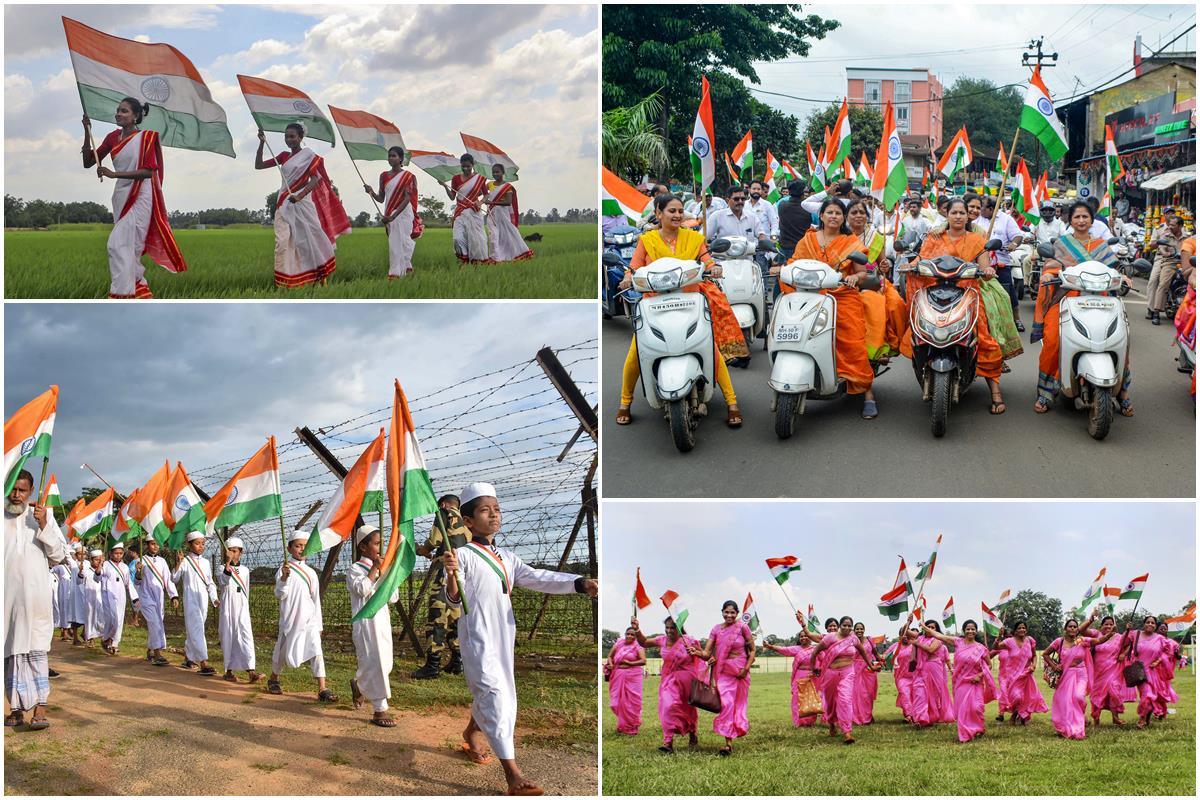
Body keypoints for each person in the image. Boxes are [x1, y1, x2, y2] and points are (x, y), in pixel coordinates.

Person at [443, 482, 597, 795]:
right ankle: (513, 775)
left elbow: (539, 577)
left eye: (496, 509)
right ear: (469, 521)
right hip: (478, 636)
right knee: (496, 695)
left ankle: (472, 733)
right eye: (485, 510)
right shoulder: (461, 555)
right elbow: (454, 600)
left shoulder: (508, 558)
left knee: (495, 691)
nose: (493, 515)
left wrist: (578, 583)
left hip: (504, 634)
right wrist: (450, 574)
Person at [614, 193, 746, 428]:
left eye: (679, 211)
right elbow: (633, 267)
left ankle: (732, 403)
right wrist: (626, 278)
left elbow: (707, 260)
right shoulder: (647, 240)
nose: (676, 215)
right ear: (658, 213)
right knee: (636, 351)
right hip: (655, 304)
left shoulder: (694, 238)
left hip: (689, 301)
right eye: (671, 211)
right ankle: (625, 402)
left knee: (710, 348)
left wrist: (714, 268)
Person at [1032, 200, 1133, 415]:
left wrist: (1123, 276)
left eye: (1085, 217)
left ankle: (1123, 391)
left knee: (1120, 338)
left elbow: (1113, 269)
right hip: (1066, 297)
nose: (1080, 220)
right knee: (1052, 339)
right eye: (1076, 217)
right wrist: (1049, 276)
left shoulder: (1101, 246)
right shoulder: (1061, 244)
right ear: (1070, 219)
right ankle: (1046, 390)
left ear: (1092, 219)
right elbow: (1051, 268)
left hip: (1100, 298)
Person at [80, 99, 187, 298]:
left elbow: (147, 172)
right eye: (118, 111)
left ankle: (122, 294)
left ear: (136, 116)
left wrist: (114, 174)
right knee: (128, 248)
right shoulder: (112, 137)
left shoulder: (145, 138)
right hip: (121, 196)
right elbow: (88, 162)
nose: (118, 114)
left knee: (117, 244)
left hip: (141, 195)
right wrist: (87, 131)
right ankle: (140, 292)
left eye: (124, 111)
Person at [911, 197, 1008, 414]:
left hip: (968, 292)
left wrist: (988, 270)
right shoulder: (934, 237)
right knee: (917, 324)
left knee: (983, 337)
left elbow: (984, 266)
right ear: (947, 214)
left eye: (961, 213)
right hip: (936, 290)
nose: (957, 216)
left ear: (968, 216)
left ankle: (995, 392)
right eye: (953, 212)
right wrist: (910, 266)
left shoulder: (976, 240)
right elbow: (920, 259)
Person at [784, 198, 878, 418]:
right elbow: (794, 263)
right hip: (808, 295)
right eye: (830, 212)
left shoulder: (851, 242)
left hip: (840, 295)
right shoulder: (807, 240)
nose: (834, 216)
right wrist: (783, 268)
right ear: (822, 216)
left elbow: (862, 272)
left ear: (843, 218)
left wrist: (855, 277)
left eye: (838, 213)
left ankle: (867, 393)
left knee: (853, 338)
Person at [4, 470, 68, 730]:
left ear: (31, 491)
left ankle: (40, 710)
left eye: (22, 490)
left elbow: (60, 554)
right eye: (13, 489)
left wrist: (43, 525)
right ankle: (16, 710)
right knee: (11, 654)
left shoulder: (43, 516)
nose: (17, 495)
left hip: (37, 599)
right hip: (7, 601)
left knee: (37, 652)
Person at [256, 123, 351, 288]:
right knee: (282, 242)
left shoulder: (309, 156)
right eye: (286, 136)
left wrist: (299, 196)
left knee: (310, 241)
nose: (289, 139)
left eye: (292, 136)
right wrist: (262, 142)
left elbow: (315, 179)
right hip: (284, 204)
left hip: (303, 204)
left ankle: (320, 277)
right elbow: (259, 165)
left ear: (300, 138)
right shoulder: (284, 156)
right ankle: (284, 282)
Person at [268, 532, 336, 702]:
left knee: (316, 651)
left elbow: (315, 600)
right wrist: (284, 578)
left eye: (305, 546)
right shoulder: (284, 570)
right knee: (283, 651)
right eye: (298, 546)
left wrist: (318, 624)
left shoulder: (311, 573)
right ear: (289, 548)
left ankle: (322, 688)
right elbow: (280, 594)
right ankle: (273, 678)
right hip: (290, 620)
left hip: (309, 620)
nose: (302, 549)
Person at [413, 494, 469, 679]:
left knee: (437, 616)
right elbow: (449, 545)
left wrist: (423, 549)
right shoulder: (467, 521)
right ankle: (457, 662)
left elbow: (435, 540)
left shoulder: (445, 512)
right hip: (462, 575)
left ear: (443, 504)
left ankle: (432, 666)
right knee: (455, 617)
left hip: (445, 574)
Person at [689, 600, 755, 755]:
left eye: (732, 612)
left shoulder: (743, 628)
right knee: (727, 704)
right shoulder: (716, 630)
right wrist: (696, 652)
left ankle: (732, 735)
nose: (729, 615)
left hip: (740, 673)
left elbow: (752, 650)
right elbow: (706, 654)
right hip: (724, 672)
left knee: (737, 705)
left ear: (737, 613)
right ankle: (728, 743)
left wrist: (746, 669)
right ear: (722, 612)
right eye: (726, 612)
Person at [347, 525, 397, 726]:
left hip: (382, 620)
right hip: (366, 623)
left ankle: (359, 685)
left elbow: (393, 597)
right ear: (363, 547)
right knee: (373, 661)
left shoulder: (384, 568)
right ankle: (380, 710)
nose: (380, 547)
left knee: (385, 662)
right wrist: (375, 569)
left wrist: (386, 574)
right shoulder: (355, 569)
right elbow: (361, 589)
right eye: (376, 543)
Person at [846, 199, 906, 364]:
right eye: (854, 212)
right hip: (845, 282)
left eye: (862, 213)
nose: (859, 216)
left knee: (896, 304)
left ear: (867, 216)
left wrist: (884, 267)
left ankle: (886, 346)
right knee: (873, 303)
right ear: (847, 216)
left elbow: (882, 265)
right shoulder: (841, 236)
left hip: (873, 282)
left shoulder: (875, 237)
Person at [629, 614, 701, 752]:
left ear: (679, 628)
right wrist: (637, 629)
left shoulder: (689, 640)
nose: (669, 631)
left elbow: (704, 654)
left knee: (688, 709)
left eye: (672, 628)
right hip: (669, 680)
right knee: (667, 706)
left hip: (687, 680)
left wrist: (694, 651)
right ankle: (668, 741)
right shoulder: (662, 640)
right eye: (666, 628)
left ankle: (693, 733)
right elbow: (643, 642)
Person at [808, 614, 879, 744]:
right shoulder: (830, 637)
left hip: (848, 672)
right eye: (844, 625)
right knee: (830, 702)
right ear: (840, 626)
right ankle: (831, 723)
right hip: (830, 673)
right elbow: (814, 653)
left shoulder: (853, 639)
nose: (847, 628)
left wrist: (872, 667)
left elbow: (863, 652)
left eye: (849, 626)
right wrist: (813, 669)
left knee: (845, 700)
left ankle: (847, 732)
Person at [1043, 614, 1117, 739]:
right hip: (1066, 675)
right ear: (1065, 629)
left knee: (1078, 697)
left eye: (1075, 627)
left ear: (1077, 629)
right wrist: (1054, 666)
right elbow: (1045, 654)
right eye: (1070, 626)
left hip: (1081, 674)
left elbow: (1098, 641)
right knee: (1063, 701)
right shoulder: (1059, 642)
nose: (1072, 629)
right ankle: (1066, 726)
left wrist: (1109, 635)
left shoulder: (1081, 641)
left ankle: (1080, 719)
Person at [922, 620, 995, 742]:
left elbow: (989, 665)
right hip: (961, 682)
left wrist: (979, 675)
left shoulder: (981, 648)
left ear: (976, 631)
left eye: (973, 629)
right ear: (964, 631)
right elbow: (940, 636)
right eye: (968, 629)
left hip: (975, 683)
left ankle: (977, 728)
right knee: (963, 709)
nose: (970, 631)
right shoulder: (958, 642)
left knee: (976, 708)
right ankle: (965, 734)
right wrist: (925, 628)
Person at [363, 146, 420, 278]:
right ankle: (405, 270)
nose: (390, 158)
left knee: (403, 242)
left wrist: (393, 216)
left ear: (401, 158)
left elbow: (407, 199)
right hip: (389, 214)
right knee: (395, 243)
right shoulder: (384, 176)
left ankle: (395, 274)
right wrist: (371, 192)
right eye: (389, 156)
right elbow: (381, 198)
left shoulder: (408, 176)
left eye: (394, 156)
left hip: (403, 214)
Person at [171, 531, 218, 674]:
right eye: (197, 544)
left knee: (196, 628)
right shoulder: (185, 561)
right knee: (196, 628)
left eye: (203, 543)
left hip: (203, 599)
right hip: (190, 600)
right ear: (189, 544)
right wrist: (178, 563)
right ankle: (204, 662)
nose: (201, 546)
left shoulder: (205, 562)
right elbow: (174, 578)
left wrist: (214, 597)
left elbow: (210, 582)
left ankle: (188, 659)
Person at [977, 196, 1027, 332]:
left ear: (991, 209)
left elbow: (1017, 235)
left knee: (1007, 294)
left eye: (981, 207)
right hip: (979, 263)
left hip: (1000, 262)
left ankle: (1016, 319)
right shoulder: (976, 219)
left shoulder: (1006, 219)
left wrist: (1014, 244)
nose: (978, 210)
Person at [763, 614, 821, 728]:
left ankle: (809, 722)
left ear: (810, 637)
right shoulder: (796, 649)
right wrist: (770, 646)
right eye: (801, 636)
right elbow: (784, 650)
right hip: (799, 676)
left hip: (811, 676)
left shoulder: (816, 648)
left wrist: (818, 669)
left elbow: (824, 659)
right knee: (796, 699)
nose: (803, 638)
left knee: (809, 699)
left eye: (805, 636)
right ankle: (798, 722)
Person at [217, 537, 259, 685]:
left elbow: (246, 589)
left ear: (240, 552)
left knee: (245, 636)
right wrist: (228, 563)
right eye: (230, 551)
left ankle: (251, 671)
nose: (232, 553)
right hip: (228, 609)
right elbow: (223, 581)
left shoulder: (246, 570)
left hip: (242, 608)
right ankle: (228, 671)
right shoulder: (222, 568)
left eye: (235, 551)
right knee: (229, 636)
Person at [990, 620, 1048, 725]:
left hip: (1027, 674)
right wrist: (998, 637)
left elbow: (1034, 655)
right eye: (1019, 628)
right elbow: (995, 647)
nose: (1022, 630)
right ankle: (1015, 714)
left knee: (1027, 697)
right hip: (1013, 676)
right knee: (1017, 697)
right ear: (1015, 631)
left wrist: (1034, 665)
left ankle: (1017, 715)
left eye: (1024, 628)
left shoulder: (1030, 640)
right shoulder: (1009, 642)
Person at [1120, 615, 1172, 728]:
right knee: (1147, 695)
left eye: (1152, 623)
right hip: (1140, 671)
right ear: (1144, 624)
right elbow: (1123, 643)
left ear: (1155, 626)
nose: (1150, 624)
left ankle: (1146, 719)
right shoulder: (1136, 634)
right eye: (1148, 622)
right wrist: (1127, 630)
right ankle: (1142, 718)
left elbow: (1168, 652)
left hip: (1153, 671)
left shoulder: (1160, 638)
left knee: (1152, 696)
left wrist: (1158, 661)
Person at [134, 534, 177, 666]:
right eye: (152, 544)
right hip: (146, 597)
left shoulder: (162, 561)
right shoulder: (141, 561)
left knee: (157, 623)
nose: (155, 546)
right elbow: (136, 582)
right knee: (154, 622)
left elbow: (167, 580)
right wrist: (138, 572)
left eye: (157, 543)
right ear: (147, 545)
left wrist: (173, 595)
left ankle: (150, 649)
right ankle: (158, 653)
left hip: (159, 597)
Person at [907, 616, 954, 726]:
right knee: (919, 692)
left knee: (934, 694)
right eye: (928, 627)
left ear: (936, 630)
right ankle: (921, 719)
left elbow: (930, 650)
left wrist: (917, 643)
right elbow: (904, 632)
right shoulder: (920, 637)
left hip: (934, 669)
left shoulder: (938, 640)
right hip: (921, 669)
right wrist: (908, 623)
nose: (929, 628)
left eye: (932, 627)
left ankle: (934, 716)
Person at [1086, 615, 1131, 727]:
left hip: (1113, 669)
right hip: (1098, 671)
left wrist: (1123, 654)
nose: (1108, 626)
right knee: (1097, 694)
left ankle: (1115, 718)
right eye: (1106, 624)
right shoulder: (1096, 634)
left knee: (1113, 689)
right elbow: (1082, 630)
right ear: (1101, 626)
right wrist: (1091, 619)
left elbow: (1128, 645)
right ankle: (1096, 719)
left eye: (1111, 624)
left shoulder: (1119, 637)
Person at [444, 153, 491, 264]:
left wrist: (480, 202)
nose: (466, 169)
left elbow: (486, 194)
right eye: (463, 166)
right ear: (460, 165)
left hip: (474, 212)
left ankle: (476, 262)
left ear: (472, 165)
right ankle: (463, 258)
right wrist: (445, 186)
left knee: (476, 239)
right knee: (457, 238)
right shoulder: (455, 179)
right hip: (460, 212)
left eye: (468, 166)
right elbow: (452, 197)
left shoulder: (479, 178)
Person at [485, 163, 534, 263]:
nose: (495, 174)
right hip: (492, 214)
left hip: (503, 214)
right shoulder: (489, 185)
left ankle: (515, 253)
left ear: (503, 172)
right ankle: (495, 259)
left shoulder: (507, 187)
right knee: (493, 236)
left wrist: (492, 202)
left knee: (507, 235)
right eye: (493, 172)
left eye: (497, 172)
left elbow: (508, 202)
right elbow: (482, 193)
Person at [98, 541, 138, 655]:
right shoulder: (105, 564)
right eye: (116, 553)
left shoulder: (125, 567)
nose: (118, 555)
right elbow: (97, 578)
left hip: (121, 595)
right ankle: (106, 638)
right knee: (112, 619)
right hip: (108, 595)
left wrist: (135, 597)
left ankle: (114, 643)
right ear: (111, 554)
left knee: (119, 620)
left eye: (120, 553)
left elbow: (128, 583)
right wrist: (100, 566)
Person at [1146, 214, 1186, 325]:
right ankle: (1155, 312)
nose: (1170, 226)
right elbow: (1160, 247)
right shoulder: (1165, 234)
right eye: (1170, 224)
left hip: (1184, 263)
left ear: (1180, 226)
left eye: (1173, 225)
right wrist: (1166, 253)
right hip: (1169, 262)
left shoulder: (1187, 237)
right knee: (1162, 283)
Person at [605, 627, 645, 735]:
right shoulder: (619, 643)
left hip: (633, 676)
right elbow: (610, 656)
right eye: (628, 634)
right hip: (618, 675)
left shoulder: (638, 646)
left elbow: (643, 661)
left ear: (636, 637)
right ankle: (624, 723)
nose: (630, 636)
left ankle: (630, 726)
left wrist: (629, 663)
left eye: (632, 635)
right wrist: (611, 664)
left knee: (632, 703)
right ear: (625, 634)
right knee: (616, 703)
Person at [851, 621, 882, 725]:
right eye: (857, 629)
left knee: (868, 695)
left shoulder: (869, 640)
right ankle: (857, 717)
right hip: (855, 670)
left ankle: (867, 715)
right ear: (854, 630)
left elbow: (876, 654)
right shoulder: (851, 641)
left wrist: (881, 663)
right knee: (857, 694)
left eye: (861, 629)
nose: (859, 630)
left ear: (864, 630)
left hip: (869, 670)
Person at [888, 625, 919, 723]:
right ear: (899, 635)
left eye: (907, 634)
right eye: (902, 634)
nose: (905, 636)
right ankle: (910, 715)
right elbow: (885, 656)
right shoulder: (895, 646)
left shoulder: (915, 645)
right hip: (901, 677)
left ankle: (911, 715)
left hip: (915, 676)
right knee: (904, 693)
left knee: (914, 696)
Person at [777, 179, 812, 257]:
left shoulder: (781, 205)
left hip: (784, 248)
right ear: (803, 192)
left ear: (789, 191)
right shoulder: (809, 208)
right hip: (803, 248)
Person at [79, 548, 105, 647]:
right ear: (91, 560)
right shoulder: (86, 570)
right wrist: (80, 572)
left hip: (101, 598)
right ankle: (90, 639)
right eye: (96, 560)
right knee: (90, 618)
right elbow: (78, 581)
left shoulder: (104, 570)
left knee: (102, 618)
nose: (98, 562)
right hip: (89, 598)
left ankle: (104, 638)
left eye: (100, 560)